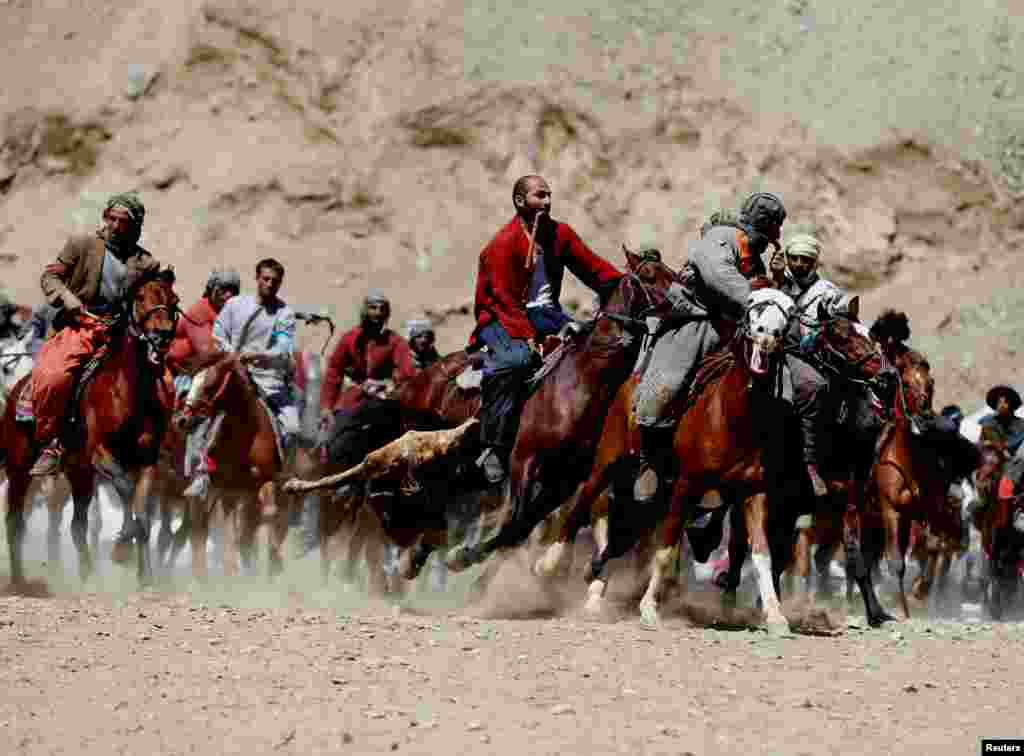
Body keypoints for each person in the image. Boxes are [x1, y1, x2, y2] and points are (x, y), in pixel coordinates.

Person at [632, 192, 787, 502]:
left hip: (732, 331)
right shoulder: (720, 238)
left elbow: (763, 295)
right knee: (669, 383)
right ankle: (649, 459)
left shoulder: (755, 259)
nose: (774, 234)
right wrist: (755, 299)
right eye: (771, 226)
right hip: (693, 323)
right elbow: (718, 276)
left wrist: (777, 280)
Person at [471, 174, 622, 483]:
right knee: (517, 361)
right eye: (540, 195)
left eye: (549, 195)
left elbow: (594, 269)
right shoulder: (501, 244)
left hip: (546, 313)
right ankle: (493, 446)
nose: (547, 201)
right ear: (519, 201)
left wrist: (627, 286)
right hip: (501, 318)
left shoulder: (559, 234)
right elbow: (503, 301)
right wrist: (531, 337)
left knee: (598, 348)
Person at [29, 192, 160, 476]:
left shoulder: (146, 262)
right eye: (110, 218)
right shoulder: (82, 244)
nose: (113, 225)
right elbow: (50, 277)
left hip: (122, 331)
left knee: (163, 380)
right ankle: (53, 441)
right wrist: (67, 298)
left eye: (121, 221)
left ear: (134, 226)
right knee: (54, 377)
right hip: (80, 325)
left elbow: (151, 296)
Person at [184, 258, 299, 497]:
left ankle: (283, 473)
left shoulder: (284, 313)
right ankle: (200, 471)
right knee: (200, 404)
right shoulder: (236, 304)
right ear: (257, 278)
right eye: (265, 279)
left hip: (268, 379)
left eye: (275, 281)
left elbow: (283, 346)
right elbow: (219, 332)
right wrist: (231, 354)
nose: (270, 284)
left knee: (293, 427)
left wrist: (260, 355)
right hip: (231, 369)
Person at [773, 232, 857, 497]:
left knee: (818, 386)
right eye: (793, 258)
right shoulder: (774, 285)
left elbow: (845, 328)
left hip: (811, 358)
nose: (798, 264)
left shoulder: (828, 293)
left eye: (805, 260)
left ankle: (812, 462)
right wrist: (777, 283)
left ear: (814, 263)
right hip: (771, 351)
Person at [319, 291, 416, 423]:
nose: (378, 312)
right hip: (352, 400)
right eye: (373, 308)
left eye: (382, 309)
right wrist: (326, 406)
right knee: (335, 434)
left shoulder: (396, 342)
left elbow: (407, 373)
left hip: (384, 400)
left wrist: (386, 383)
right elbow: (334, 371)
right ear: (365, 311)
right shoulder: (350, 339)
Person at [980, 385, 1024, 456]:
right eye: (999, 403)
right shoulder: (989, 424)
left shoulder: (1020, 423)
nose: (1003, 406)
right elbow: (999, 447)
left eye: (1006, 402)